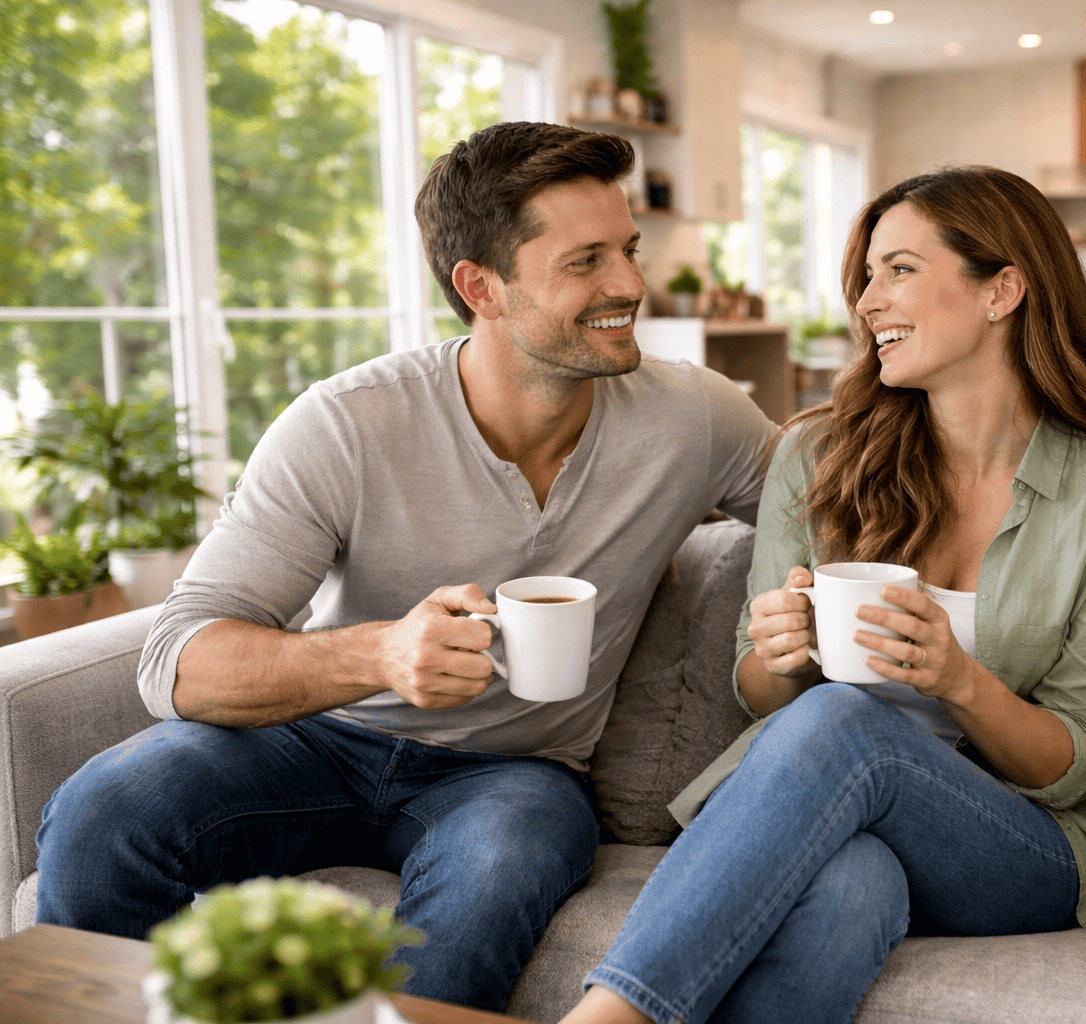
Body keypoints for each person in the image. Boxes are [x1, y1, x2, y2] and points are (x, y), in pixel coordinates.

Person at [32, 121, 777, 1012]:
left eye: (628, 249)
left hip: (518, 772)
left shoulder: (694, 416)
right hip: (315, 741)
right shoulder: (348, 423)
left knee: (501, 865)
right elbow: (175, 662)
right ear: (480, 287)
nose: (629, 284)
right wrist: (379, 656)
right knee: (103, 811)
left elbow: (839, 502)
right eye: (586, 262)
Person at [561, 166, 1086, 1024]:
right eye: (865, 276)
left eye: (899, 270)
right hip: (837, 821)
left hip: (1020, 844)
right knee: (851, 885)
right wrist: (780, 654)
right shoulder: (819, 458)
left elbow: (1074, 765)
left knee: (846, 719)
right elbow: (760, 696)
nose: (866, 302)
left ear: (1002, 290)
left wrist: (958, 680)